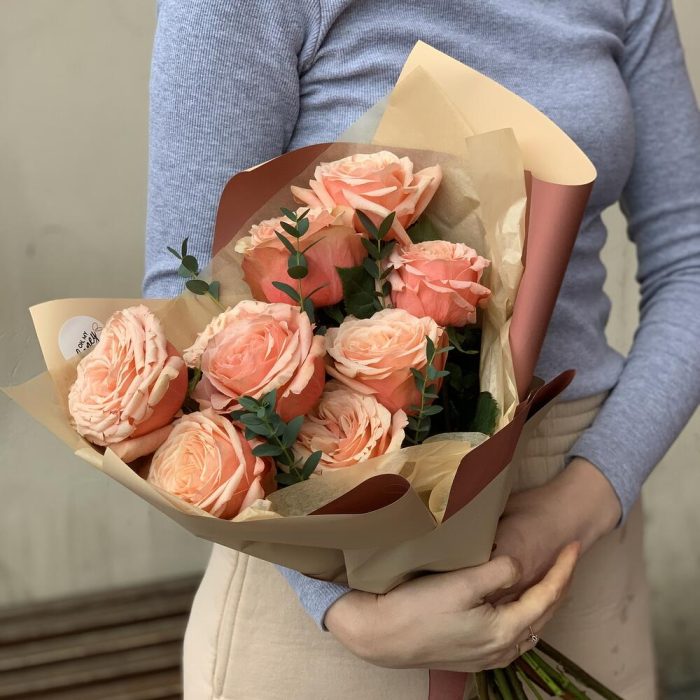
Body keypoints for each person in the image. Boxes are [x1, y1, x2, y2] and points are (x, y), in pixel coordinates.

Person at [143, 1, 700, 698]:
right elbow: (185, 302)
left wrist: (582, 498)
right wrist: (342, 607)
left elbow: (690, 259)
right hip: (323, 556)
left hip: (579, 537)